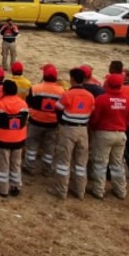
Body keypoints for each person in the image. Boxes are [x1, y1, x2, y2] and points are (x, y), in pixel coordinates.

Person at [87, 73, 129, 200]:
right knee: (118, 164)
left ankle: (98, 190)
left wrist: (94, 128)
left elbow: (95, 118)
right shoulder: (128, 100)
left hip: (103, 133)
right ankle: (120, 190)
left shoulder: (102, 99)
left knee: (100, 163)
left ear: (108, 83)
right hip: (121, 133)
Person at [50, 68, 96, 199]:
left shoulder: (67, 95)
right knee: (81, 162)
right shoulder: (90, 95)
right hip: (83, 130)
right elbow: (92, 110)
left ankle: (61, 191)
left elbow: (57, 109)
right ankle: (80, 191)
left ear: (73, 79)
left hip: (68, 129)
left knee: (64, 161)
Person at [0, 80, 30, 197]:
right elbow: (24, 120)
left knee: (3, 164)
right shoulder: (23, 104)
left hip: (2, 140)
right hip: (18, 139)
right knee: (16, 163)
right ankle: (16, 186)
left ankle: (2, 189)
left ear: (4, 90)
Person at [24, 64, 65, 176]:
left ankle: (29, 167)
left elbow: (28, 103)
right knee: (49, 147)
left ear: (44, 76)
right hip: (52, 123)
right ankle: (47, 169)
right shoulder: (62, 91)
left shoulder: (36, 88)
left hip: (36, 121)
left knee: (32, 144)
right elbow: (62, 108)